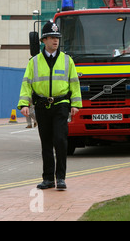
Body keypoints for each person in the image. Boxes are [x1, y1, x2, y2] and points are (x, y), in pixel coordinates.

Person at [17, 21, 82, 190]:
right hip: (41, 105)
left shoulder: (68, 61)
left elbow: (74, 84)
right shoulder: (34, 62)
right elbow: (26, 84)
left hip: (61, 105)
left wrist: (76, 104)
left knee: (60, 140)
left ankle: (60, 178)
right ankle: (48, 179)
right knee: (46, 143)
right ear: (43, 40)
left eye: (57, 38)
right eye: (52, 38)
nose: (56, 41)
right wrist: (24, 104)